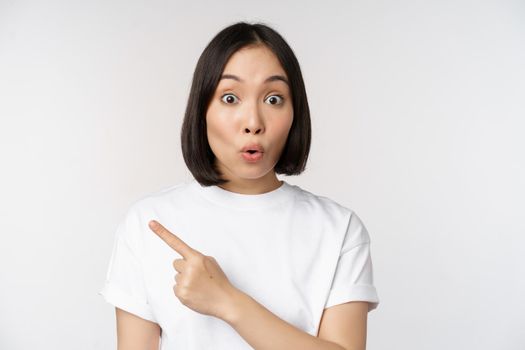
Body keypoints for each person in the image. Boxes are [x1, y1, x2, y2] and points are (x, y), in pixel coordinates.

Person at [99, 21, 380, 350]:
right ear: (202, 109)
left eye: (273, 99)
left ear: (295, 113)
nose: (253, 123)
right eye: (230, 98)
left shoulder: (338, 230)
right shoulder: (149, 223)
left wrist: (228, 302)